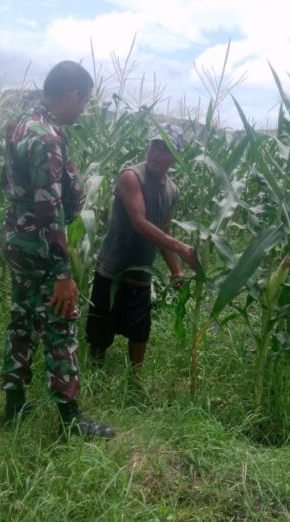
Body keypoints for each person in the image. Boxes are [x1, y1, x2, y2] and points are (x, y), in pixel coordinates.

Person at [0, 60, 115, 438]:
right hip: (42, 249)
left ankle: (13, 406)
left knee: (22, 320)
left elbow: (9, 185)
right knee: (60, 325)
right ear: (71, 95)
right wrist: (63, 274)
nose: (83, 110)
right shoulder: (47, 138)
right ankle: (70, 420)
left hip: (18, 241)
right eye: (83, 102)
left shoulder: (20, 125)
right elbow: (50, 210)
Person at [86, 125, 197, 378]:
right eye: (154, 147)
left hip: (142, 272)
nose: (158, 154)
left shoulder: (172, 190)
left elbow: (164, 232)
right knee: (101, 329)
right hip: (114, 266)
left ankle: (135, 381)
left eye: (165, 150)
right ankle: (95, 377)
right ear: (148, 148)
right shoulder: (131, 177)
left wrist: (176, 271)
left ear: (175, 158)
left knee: (139, 330)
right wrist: (181, 247)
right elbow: (139, 222)